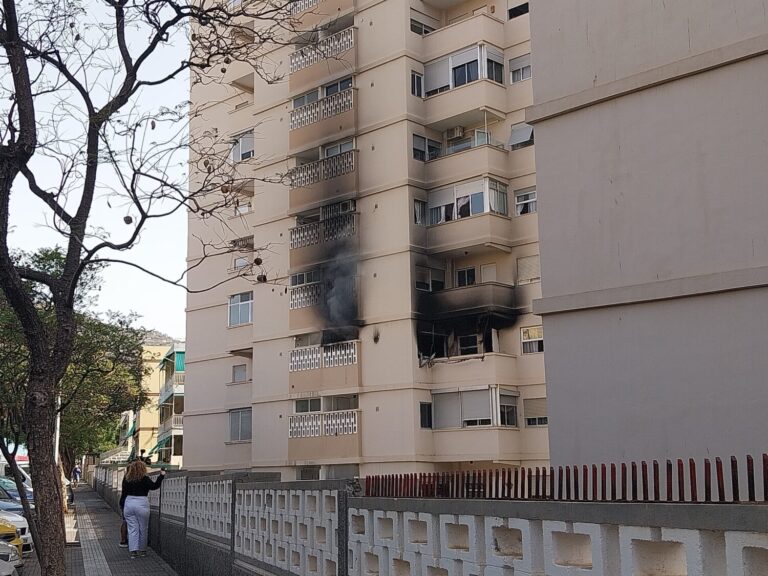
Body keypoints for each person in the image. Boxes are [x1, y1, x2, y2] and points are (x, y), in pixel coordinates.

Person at [119, 460, 165, 558]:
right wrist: (161, 476)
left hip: (129, 502)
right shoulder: (145, 479)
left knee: (132, 528)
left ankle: (133, 551)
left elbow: (123, 493)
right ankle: (143, 550)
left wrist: (122, 504)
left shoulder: (127, 479)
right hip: (142, 502)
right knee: (143, 528)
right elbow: (154, 486)